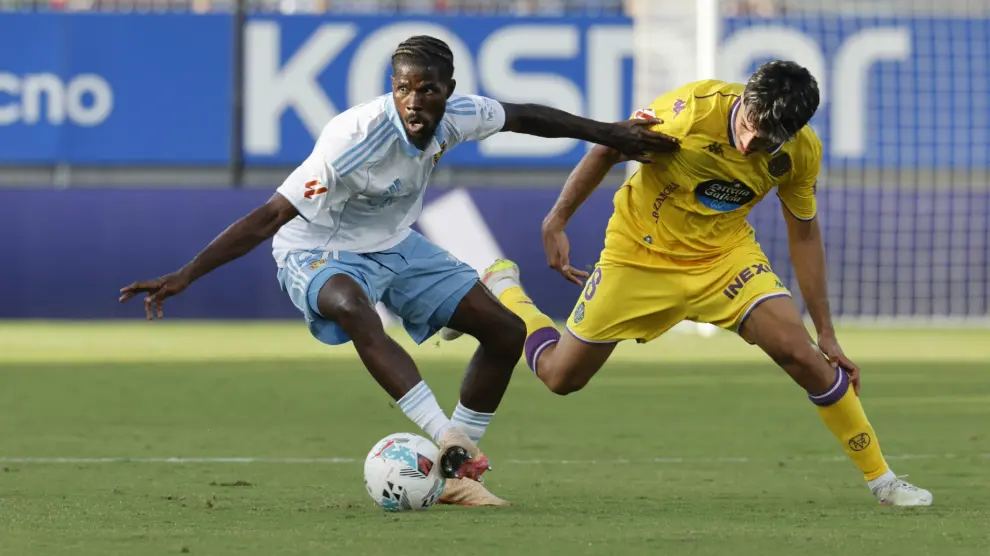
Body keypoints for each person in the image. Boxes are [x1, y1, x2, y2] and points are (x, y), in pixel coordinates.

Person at [118, 35, 680, 507]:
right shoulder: (353, 139)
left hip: (394, 245)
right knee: (352, 307)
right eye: (403, 88)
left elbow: (529, 117)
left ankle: (457, 477)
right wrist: (185, 274)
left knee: (507, 332)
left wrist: (610, 134)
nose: (413, 100)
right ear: (393, 89)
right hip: (315, 249)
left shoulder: (459, 117)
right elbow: (269, 216)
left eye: (426, 89)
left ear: (448, 93)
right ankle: (447, 438)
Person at [442, 61, 932, 507]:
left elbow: (803, 231)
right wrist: (556, 221)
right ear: (744, 102)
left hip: (724, 258)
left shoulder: (801, 153)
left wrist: (826, 331)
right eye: (746, 128)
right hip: (640, 253)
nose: (748, 145)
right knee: (560, 377)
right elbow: (610, 146)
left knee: (803, 354)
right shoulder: (685, 114)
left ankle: (883, 481)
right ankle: (504, 287)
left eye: (764, 141)